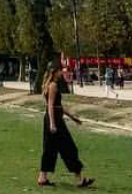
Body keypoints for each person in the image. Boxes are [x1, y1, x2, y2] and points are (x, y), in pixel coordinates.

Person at [37, 61, 94, 189]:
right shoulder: (53, 86)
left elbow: (57, 106)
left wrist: (72, 118)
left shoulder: (48, 85)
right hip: (55, 120)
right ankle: (80, 179)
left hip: (53, 119)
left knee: (49, 149)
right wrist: (52, 123)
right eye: (60, 70)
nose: (62, 72)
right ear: (55, 71)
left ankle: (42, 177)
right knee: (69, 148)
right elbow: (51, 106)